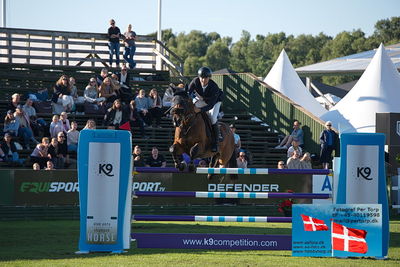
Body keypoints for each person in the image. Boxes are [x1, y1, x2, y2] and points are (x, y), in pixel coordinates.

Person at [188, 67, 224, 152]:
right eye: (201, 78)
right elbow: (188, 93)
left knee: (212, 118)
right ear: (199, 77)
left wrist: (200, 110)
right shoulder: (195, 81)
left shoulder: (214, 87)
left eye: (206, 78)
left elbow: (210, 105)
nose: (203, 80)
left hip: (215, 102)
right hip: (202, 99)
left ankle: (216, 141)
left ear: (209, 78)